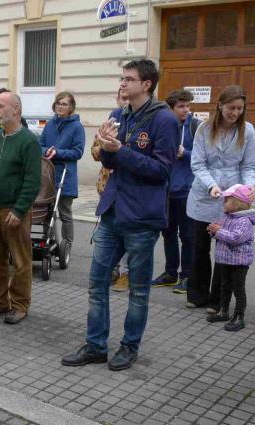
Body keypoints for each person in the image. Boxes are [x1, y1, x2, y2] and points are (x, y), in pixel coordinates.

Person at [62, 59, 178, 371]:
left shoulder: (164, 120)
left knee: (138, 292)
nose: (122, 84)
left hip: (142, 216)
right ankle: (96, 345)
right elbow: (111, 164)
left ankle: (129, 347)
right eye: (122, 78)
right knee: (97, 283)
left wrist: (120, 150)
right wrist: (104, 146)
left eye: (129, 79)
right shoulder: (118, 115)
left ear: (147, 84)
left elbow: (162, 171)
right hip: (112, 210)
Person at [186, 85, 255, 313]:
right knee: (199, 248)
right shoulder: (204, 129)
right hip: (204, 195)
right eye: (231, 108)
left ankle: (218, 300)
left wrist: (249, 186)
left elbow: (248, 165)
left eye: (239, 109)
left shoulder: (248, 131)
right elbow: (197, 163)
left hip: (231, 200)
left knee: (224, 249)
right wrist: (211, 185)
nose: (234, 113)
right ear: (220, 105)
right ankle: (197, 294)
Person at [0, 92, 41, 325]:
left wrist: (19, 210)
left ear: (16, 110)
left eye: (0, 106)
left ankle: (19, 305)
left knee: (20, 261)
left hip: (13, 211)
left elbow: (33, 181)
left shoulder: (28, 141)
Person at [151, 89, 201, 293]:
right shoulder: (164, 126)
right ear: (171, 109)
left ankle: (187, 276)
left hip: (186, 191)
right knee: (168, 233)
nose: (186, 110)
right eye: (181, 106)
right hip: (166, 190)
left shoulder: (195, 127)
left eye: (188, 106)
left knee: (187, 236)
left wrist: (185, 153)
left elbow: (203, 156)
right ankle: (170, 273)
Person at [92, 89, 130, 292]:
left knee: (125, 232)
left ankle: (125, 273)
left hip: (127, 188)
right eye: (122, 99)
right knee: (108, 232)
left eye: (127, 99)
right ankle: (112, 270)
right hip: (106, 186)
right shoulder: (109, 120)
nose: (125, 102)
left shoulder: (135, 123)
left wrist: (119, 149)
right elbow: (94, 150)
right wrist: (105, 147)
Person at [38, 91, 85, 246]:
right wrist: (46, 151)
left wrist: (58, 152)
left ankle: (67, 244)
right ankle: (49, 240)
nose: (60, 106)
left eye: (64, 104)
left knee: (65, 213)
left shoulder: (77, 127)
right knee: (47, 212)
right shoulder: (50, 124)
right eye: (58, 103)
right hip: (48, 175)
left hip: (66, 174)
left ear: (71, 107)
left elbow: (78, 152)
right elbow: (40, 144)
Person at [206, 184, 254, 332]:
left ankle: (239, 317)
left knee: (238, 289)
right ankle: (223, 311)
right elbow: (222, 234)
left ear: (237, 204)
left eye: (226, 200)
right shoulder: (227, 217)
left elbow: (236, 238)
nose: (223, 203)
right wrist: (213, 231)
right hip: (225, 260)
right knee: (224, 286)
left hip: (239, 262)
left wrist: (219, 231)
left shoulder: (244, 221)